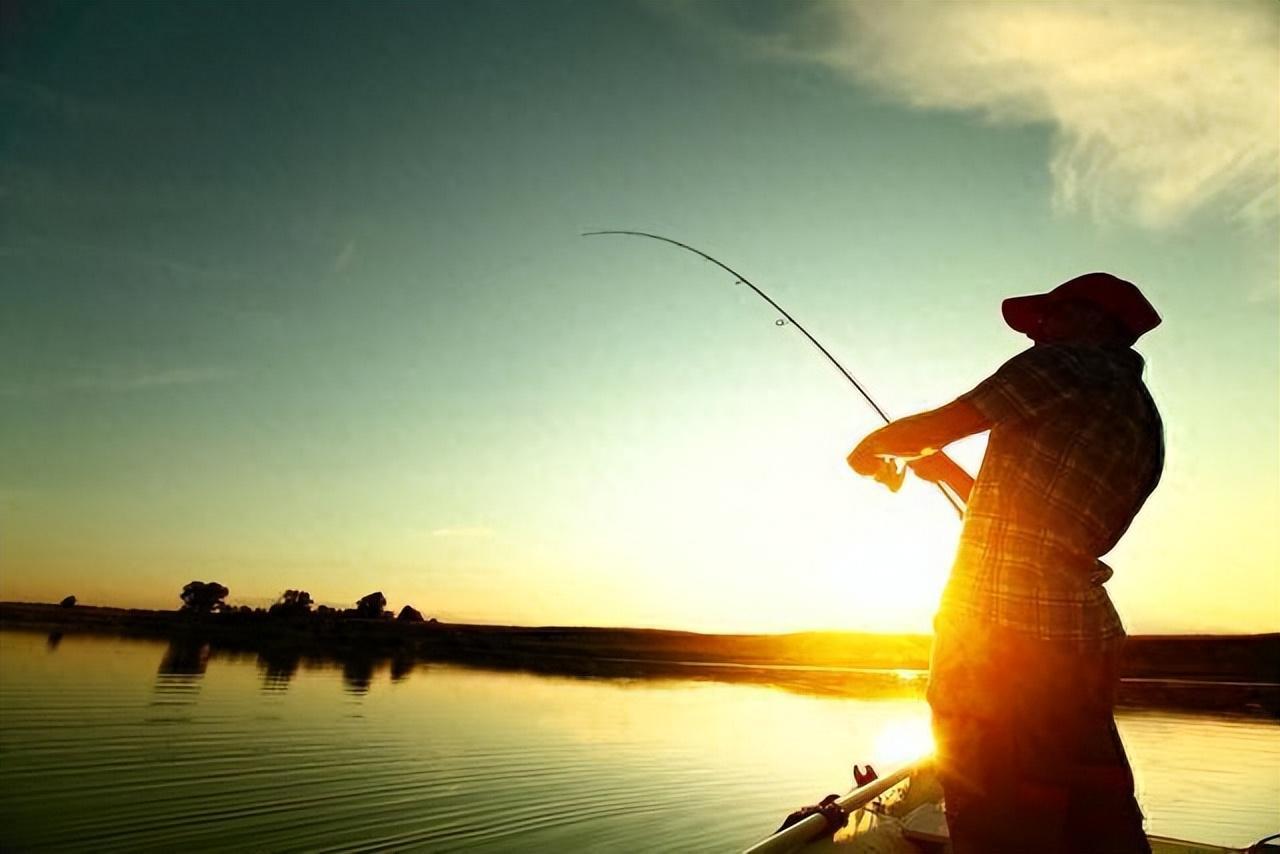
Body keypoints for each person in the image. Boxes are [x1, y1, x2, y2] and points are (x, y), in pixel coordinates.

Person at [847, 272, 1164, 854]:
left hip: (1000, 632)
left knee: (993, 807)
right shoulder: (1144, 416)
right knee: (1092, 807)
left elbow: (940, 424)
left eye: (1052, 318)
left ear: (1094, 321)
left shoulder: (1062, 366)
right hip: (1082, 636)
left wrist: (871, 448)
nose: (1039, 333)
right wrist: (944, 472)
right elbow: (1040, 525)